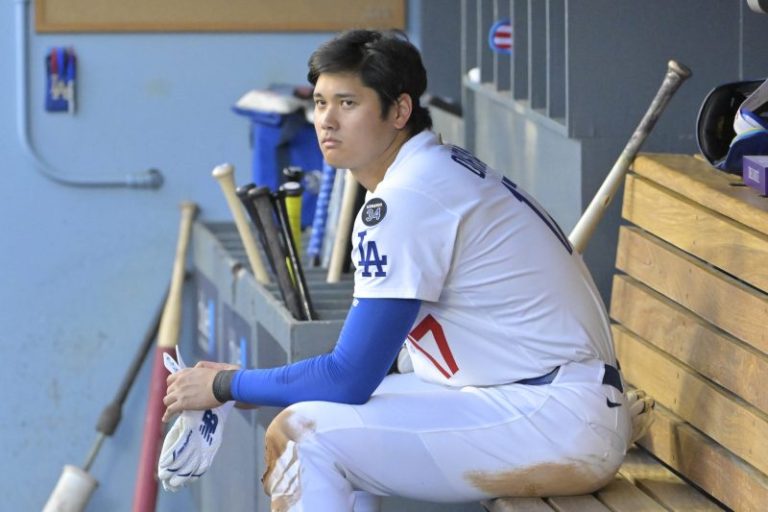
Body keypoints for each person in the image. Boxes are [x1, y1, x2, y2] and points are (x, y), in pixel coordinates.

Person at [162, 29, 632, 511]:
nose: (327, 120)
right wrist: (248, 385)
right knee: (327, 417)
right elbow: (359, 374)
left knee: (303, 436)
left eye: (348, 103)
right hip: (545, 400)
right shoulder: (428, 171)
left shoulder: (409, 195)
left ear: (400, 111)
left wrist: (226, 385)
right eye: (321, 103)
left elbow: (348, 377)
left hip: (555, 417)